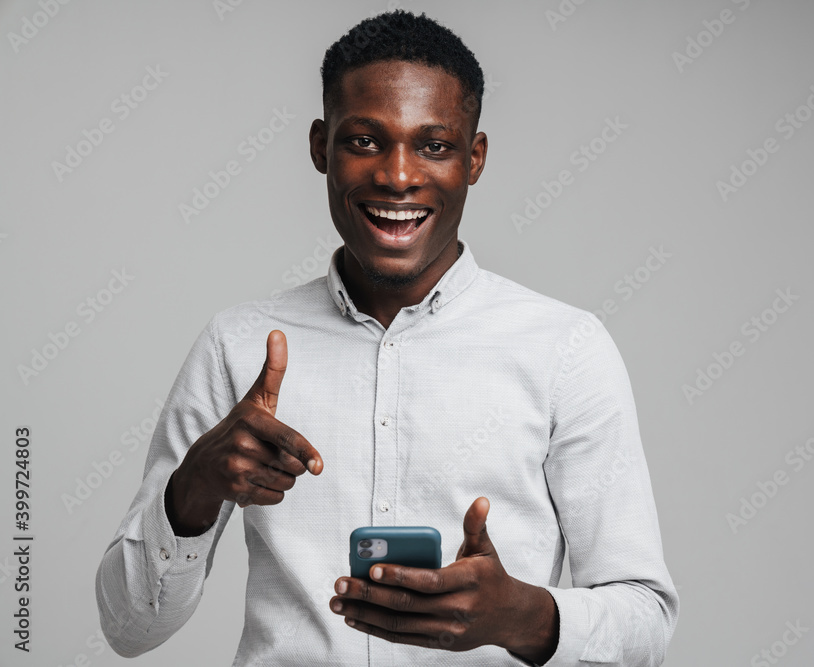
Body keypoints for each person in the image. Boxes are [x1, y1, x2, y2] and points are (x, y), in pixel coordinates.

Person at [96, 10, 678, 666]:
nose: (398, 176)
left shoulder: (567, 349)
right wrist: (195, 485)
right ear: (321, 147)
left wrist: (521, 614)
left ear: (474, 158)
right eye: (365, 140)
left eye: (434, 145)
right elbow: (128, 626)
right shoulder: (238, 345)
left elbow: (646, 620)